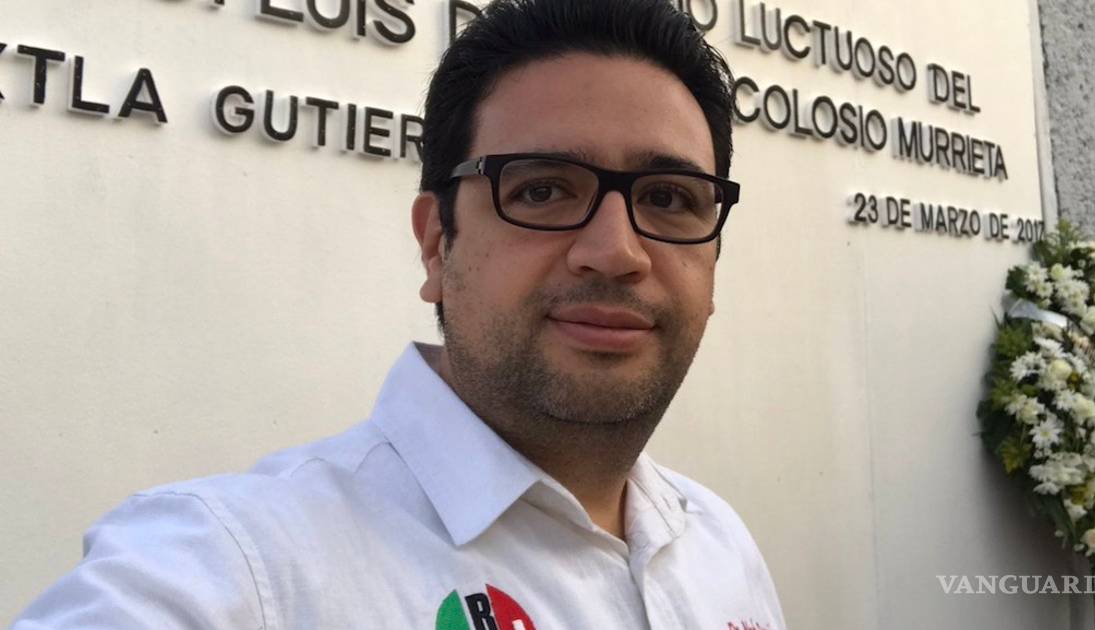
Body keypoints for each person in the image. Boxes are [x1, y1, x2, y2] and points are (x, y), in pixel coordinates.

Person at [12, 0, 787, 628]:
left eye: (669, 199)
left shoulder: (719, 543)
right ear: (436, 244)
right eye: (543, 189)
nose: (616, 251)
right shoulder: (239, 566)